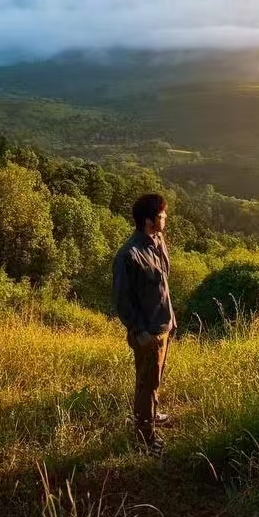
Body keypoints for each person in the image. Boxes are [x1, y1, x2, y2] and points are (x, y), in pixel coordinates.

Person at [113, 193, 175, 453]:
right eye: (161, 215)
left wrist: (171, 319)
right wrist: (139, 331)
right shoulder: (129, 255)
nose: (166, 219)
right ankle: (145, 436)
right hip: (147, 331)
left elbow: (163, 285)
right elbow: (122, 300)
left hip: (163, 325)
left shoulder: (157, 241)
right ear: (149, 220)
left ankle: (150, 415)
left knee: (154, 379)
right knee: (146, 383)